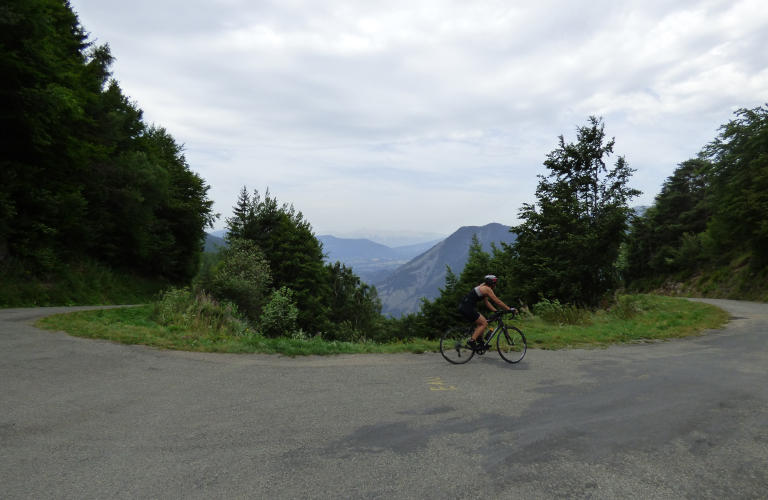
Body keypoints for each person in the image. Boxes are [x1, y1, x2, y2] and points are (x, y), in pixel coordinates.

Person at [458, 275, 515, 350]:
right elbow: (498, 302)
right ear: (493, 283)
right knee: (484, 323)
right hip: (467, 308)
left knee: (482, 321)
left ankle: (481, 342)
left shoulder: (483, 287)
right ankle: (471, 341)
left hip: (464, 307)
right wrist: (509, 309)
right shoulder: (487, 289)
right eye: (495, 283)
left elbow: (487, 303)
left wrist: (495, 311)